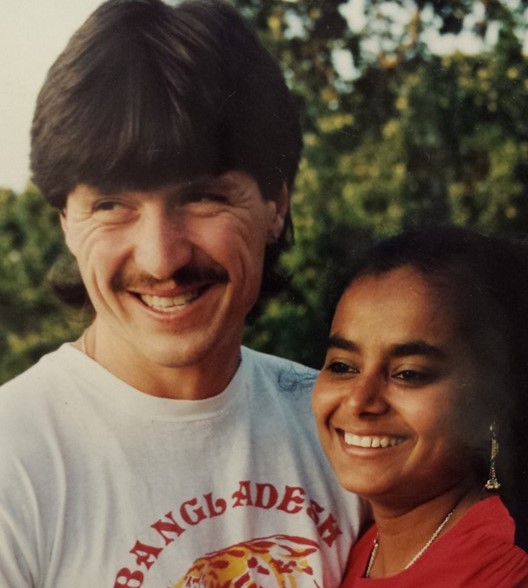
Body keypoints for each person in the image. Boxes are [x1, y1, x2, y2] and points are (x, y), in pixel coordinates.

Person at [0, 0, 365, 585]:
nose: (161, 258)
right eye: (111, 205)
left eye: (202, 196)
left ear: (278, 204)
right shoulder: (12, 463)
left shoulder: (348, 432)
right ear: (65, 220)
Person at [313, 226, 528, 587]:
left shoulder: (505, 569)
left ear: (492, 402)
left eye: (409, 374)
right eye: (343, 366)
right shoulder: (359, 547)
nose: (359, 400)